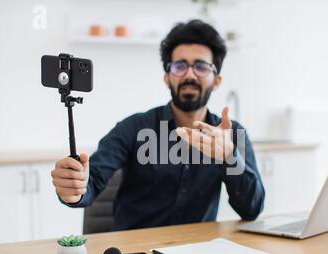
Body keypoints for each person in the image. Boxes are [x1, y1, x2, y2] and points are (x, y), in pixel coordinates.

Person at [51, 19, 265, 231]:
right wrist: (74, 188)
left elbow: (252, 209)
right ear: (167, 78)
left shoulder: (231, 135)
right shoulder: (134, 128)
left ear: (216, 80)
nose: (190, 74)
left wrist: (229, 157)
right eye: (180, 66)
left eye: (201, 67)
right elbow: (92, 181)